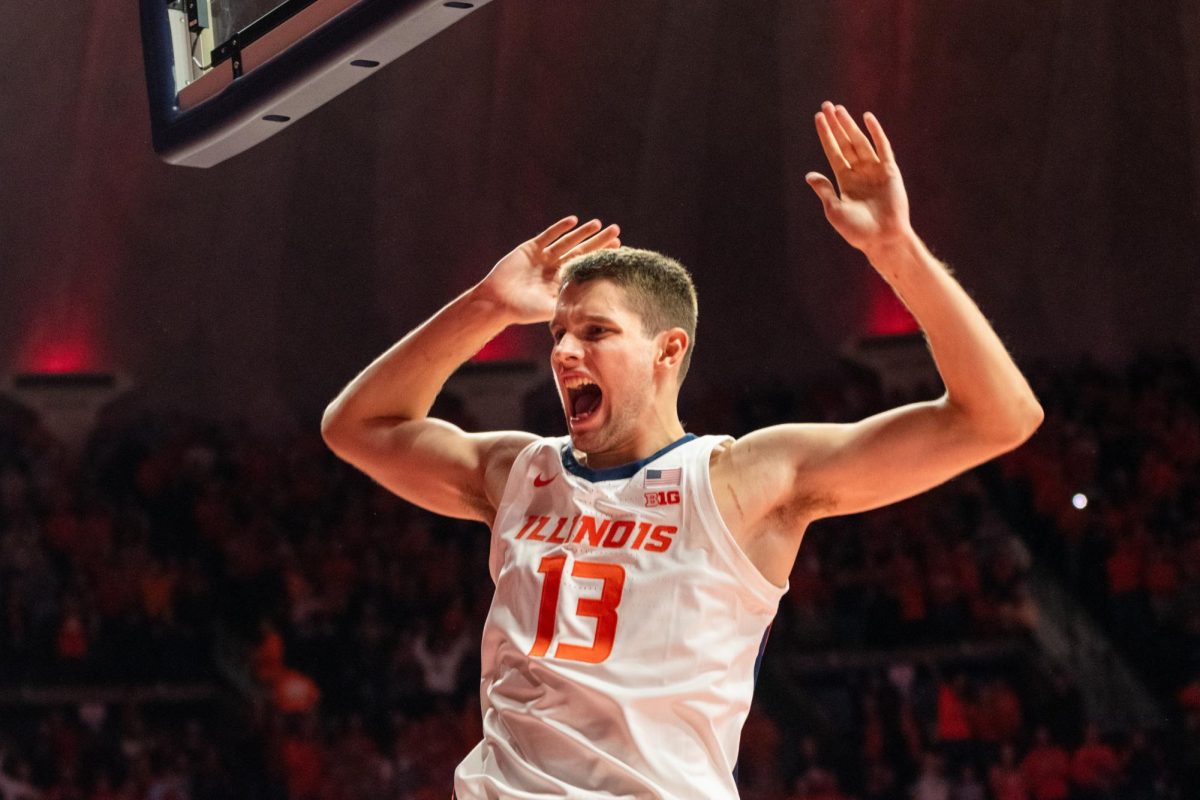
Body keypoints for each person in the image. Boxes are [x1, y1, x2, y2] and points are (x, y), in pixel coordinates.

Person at [321, 102, 1043, 799]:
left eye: (596, 333)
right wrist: (488, 305)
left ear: (669, 350)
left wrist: (895, 251)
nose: (566, 352)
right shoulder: (520, 472)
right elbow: (356, 428)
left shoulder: (741, 479)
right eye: (558, 335)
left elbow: (998, 418)